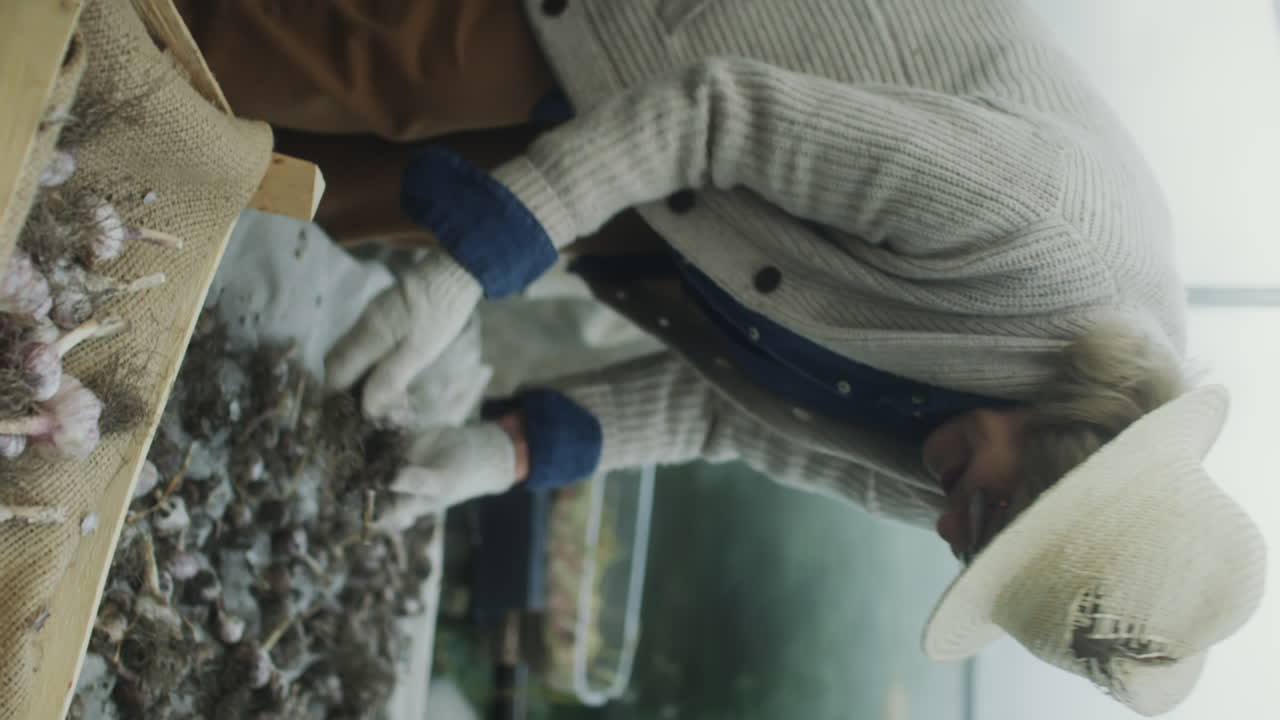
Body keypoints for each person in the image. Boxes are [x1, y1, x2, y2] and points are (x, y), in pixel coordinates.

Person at [176, 0, 1266, 714]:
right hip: (670, 35)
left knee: (312, 184)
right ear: (1081, 445)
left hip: (672, 203)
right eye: (987, 520)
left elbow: (731, 417)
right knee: (324, 56)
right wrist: (477, 264)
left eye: (972, 557)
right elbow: (719, 115)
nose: (948, 529)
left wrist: (507, 453)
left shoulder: (967, 478)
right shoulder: (1045, 230)